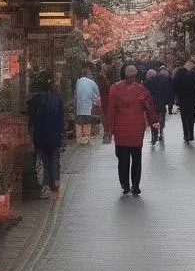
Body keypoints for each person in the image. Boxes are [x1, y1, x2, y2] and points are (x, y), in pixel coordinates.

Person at [105, 64, 159, 196]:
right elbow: (149, 107)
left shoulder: (115, 89)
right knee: (136, 158)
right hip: (136, 130)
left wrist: (108, 132)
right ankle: (135, 185)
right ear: (136, 75)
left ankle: (125, 184)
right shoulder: (142, 90)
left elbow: (110, 112)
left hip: (120, 130)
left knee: (122, 159)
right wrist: (154, 122)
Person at [26, 72, 64, 198]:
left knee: (44, 161)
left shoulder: (34, 101)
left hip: (40, 136)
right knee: (54, 159)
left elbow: (31, 119)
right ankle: (55, 184)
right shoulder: (57, 100)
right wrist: (61, 135)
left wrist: (30, 133)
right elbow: (60, 120)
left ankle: (46, 185)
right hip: (54, 136)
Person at [172, 57, 195, 143]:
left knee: (184, 117)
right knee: (191, 117)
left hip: (182, 99)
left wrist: (175, 96)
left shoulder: (179, 74)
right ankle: (191, 134)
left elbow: (174, 86)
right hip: (192, 100)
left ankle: (186, 135)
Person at [144, 68, 173, 146]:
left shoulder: (146, 82)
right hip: (161, 102)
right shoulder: (161, 81)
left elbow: (144, 94)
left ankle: (154, 134)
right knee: (161, 117)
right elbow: (167, 91)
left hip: (151, 104)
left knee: (153, 119)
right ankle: (161, 131)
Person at [74, 65, 101, 144]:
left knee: (79, 121)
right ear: (88, 75)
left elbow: (77, 92)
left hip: (79, 106)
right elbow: (98, 94)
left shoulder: (78, 81)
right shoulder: (92, 82)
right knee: (87, 121)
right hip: (88, 107)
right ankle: (86, 138)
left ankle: (79, 138)